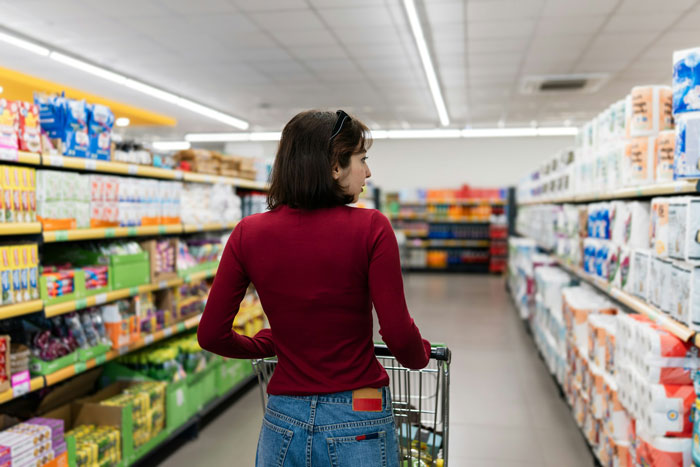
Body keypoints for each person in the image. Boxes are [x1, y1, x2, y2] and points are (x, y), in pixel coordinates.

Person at [197, 109, 431, 467]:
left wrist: (264, 343)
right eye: (362, 159)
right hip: (359, 411)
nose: (368, 171)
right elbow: (398, 333)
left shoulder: (248, 233)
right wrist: (420, 356)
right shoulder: (372, 227)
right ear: (335, 166)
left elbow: (211, 334)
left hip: (282, 418)